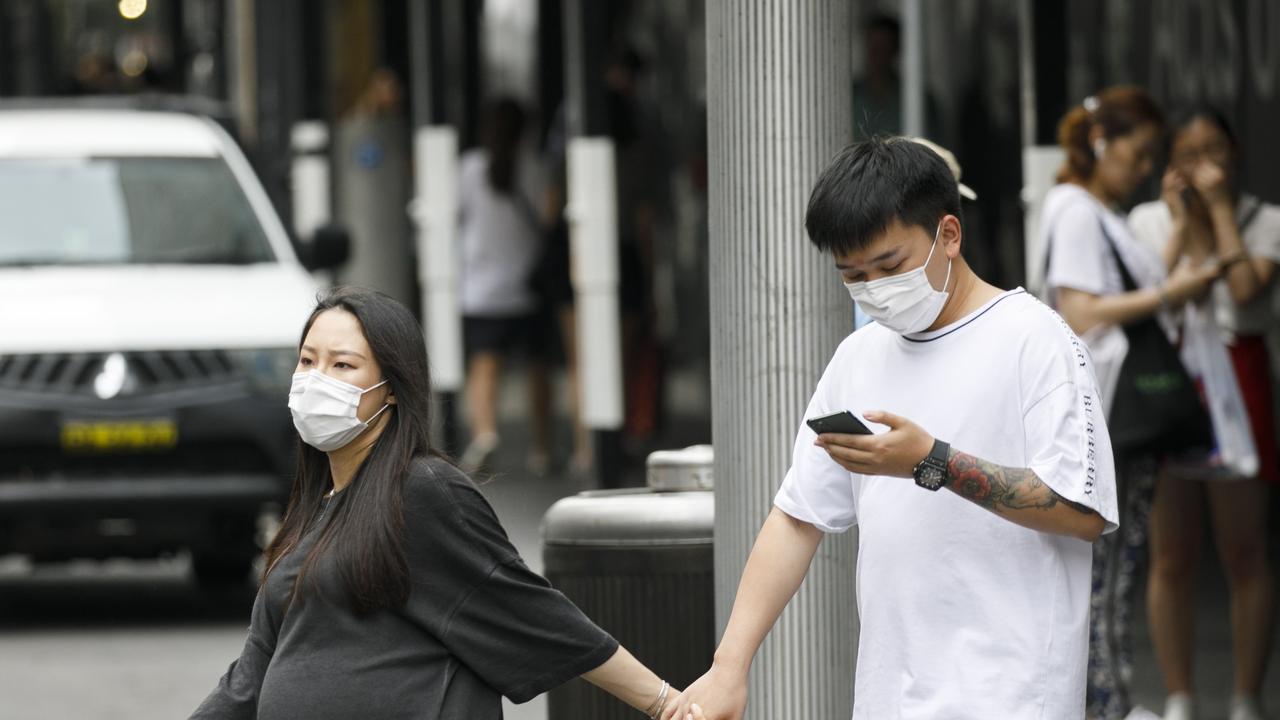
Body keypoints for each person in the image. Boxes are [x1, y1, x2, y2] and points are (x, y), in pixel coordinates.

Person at [666, 137, 1118, 720]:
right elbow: (797, 517)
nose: (874, 287)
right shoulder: (859, 357)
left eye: (890, 266)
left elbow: (1080, 512)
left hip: (1012, 692)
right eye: (852, 275)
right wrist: (729, 667)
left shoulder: (1036, 340)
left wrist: (932, 462)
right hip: (890, 695)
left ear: (948, 235)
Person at [190, 287, 694, 719]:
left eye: (343, 364)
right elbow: (250, 676)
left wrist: (666, 705)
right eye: (307, 360)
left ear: (390, 390)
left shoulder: (422, 491)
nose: (315, 378)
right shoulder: (311, 510)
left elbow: (536, 615)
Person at [1039, 86, 1221, 720]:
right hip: (1111, 415)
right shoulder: (1078, 211)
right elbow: (1083, 310)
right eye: (1139, 154)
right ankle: (1104, 702)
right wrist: (1178, 291)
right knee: (1108, 568)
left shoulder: (1094, 211)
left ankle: (1108, 697)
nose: (1144, 168)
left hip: (1116, 415)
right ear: (1101, 142)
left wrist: (1169, 271)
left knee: (1114, 565)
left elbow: (1128, 289)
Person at [1127, 108, 1278, 720]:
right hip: (1171, 383)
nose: (1204, 166)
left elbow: (1245, 291)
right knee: (1172, 552)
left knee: (1244, 548)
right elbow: (1152, 296)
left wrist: (1216, 211)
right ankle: (1181, 696)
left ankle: (1246, 697)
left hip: (1240, 379)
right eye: (1189, 154)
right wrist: (1184, 220)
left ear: (1236, 152)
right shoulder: (1145, 218)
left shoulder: (1266, 220)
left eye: (1214, 151)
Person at [457, 98, 555, 474]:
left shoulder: (469, 168)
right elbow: (548, 218)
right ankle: (542, 448)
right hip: (527, 284)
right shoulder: (534, 167)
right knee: (537, 367)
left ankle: (485, 433)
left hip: (481, 287)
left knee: (484, 365)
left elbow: (454, 216)